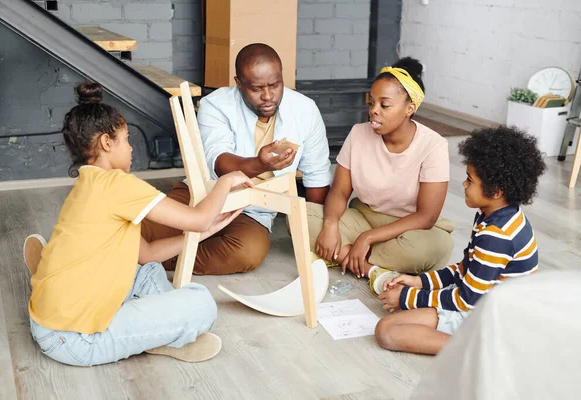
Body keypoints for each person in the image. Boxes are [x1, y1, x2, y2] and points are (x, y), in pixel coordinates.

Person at [23, 82, 253, 367]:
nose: (132, 148)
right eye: (126, 139)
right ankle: (163, 333)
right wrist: (226, 181)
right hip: (74, 339)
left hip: (48, 320)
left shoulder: (87, 183)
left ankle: (156, 330)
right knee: (202, 303)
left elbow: (147, 254)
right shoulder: (118, 184)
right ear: (107, 143)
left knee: (147, 272)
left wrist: (208, 230)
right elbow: (198, 218)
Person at [141, 43, 333, 274]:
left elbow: (317, 176)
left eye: (275, 85)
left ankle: (154, 259)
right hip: (205, 193)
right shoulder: (216, 104)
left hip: (254, 209)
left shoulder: (305, 109)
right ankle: (149, 254)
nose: (268, 96)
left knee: (246, 253)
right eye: (256, 88)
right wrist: (260, 164)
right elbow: (219, 162)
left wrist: (314, 229)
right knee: (140, 228)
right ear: (238, 83)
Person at [375, 126, 546, 355]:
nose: (464, 184)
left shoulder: (496, 235)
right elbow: (465, 269)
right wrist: (419, 282)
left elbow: (466, 299)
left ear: (496, 191)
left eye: (469, 180)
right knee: (396, 321)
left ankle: (479, 349)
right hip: (484, 302)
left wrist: (407, 298)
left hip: (491, 316)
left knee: (386, 330)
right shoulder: (495, 216)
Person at [308, 57, 453, 292]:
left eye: (384, 105)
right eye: (371, 103)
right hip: (364, 216)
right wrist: (331, 224)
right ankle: (373, 270)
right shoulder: (358, 134)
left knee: (431, 248)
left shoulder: (433, 145)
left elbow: (426, 217)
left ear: (410, 108)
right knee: (301, 217)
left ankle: (346, 255)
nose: (373, 111)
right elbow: (340, 191)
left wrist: (366, 239)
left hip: (410, 229)